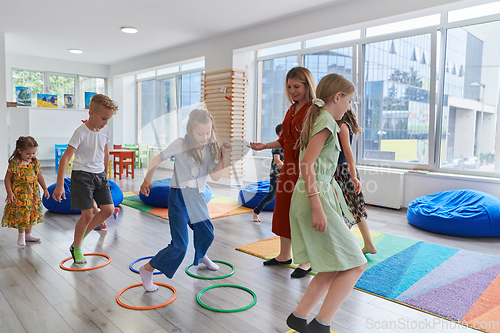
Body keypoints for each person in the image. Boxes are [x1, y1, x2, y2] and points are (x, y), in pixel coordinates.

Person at [286, 73, 367, 333]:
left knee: (334, 264)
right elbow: (306, 164)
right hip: (313, 196)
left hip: (317, 193)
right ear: (337, 97)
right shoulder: (326, 123)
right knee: (357, 263)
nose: (349, 107)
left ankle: (299, 317)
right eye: (349, 101)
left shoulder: (324, 120)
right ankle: (322, 325)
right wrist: (317, 206)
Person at [138, 109, 232, 291]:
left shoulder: (210, 148)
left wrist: (222, 156)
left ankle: (201, 254)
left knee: (207, 233)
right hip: (179, 197)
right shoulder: (180, 144)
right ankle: (147, 269)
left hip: (197, 198)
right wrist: (147, 179)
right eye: (200, 133)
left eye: (208, 132)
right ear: (190, 130)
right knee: (180, 246)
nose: (205, 137)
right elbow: (157, 158)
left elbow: (216, 176)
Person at [249, 66, 315, 278]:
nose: (293, 90)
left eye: (297, 86)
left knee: (301, 213)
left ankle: (305, 261)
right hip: (288, 168)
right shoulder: (292, 109)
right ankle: (284, 255)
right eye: (289, 87)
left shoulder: (313, 110)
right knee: (283, 211)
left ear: (307, 85)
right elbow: (285, 140)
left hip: (303, 168)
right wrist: (264, 146)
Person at [52, 94, 118, 264]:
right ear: (91, 113)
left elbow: (105, 152)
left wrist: (106, 174)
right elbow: (65, 158)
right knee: (87, 215)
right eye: (103, 118)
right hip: (82, 176)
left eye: (108, 119)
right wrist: (60, 185)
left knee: (109, 210)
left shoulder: (105, 130)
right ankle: (78, 246)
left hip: (100, 176)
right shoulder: (80, 132)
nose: (105, 122)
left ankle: (79, 240)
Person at [334, 107, 377, 255]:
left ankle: (367, 245)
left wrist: (352, 176)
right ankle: (364, 244)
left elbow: (347, 152)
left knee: (353, 208)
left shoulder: (342, 126)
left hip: (343, 171)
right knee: (348, 208)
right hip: (342, 170)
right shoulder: (342, 125)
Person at [2, 136, 49, 246]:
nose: (31, 156)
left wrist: (45, 188)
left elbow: (39, 176)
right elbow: (7, 178)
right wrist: (9, 192)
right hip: (20, 194)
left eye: (33, 153)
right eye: (28, 153)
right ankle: (21, 235)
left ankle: (28, 235)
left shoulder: (34, 162)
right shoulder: (15, 163)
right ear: (19, 151)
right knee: (22, 213)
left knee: (30, 211)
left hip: (32, 193)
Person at [252, 124, 284, 222]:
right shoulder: (276, 146)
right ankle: (256, 212)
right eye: (283, 133)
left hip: (285, 175)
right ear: (278, 135)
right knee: (271, 196)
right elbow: (277, 160)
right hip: (276, 174)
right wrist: (285, 167)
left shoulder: (289, 145)